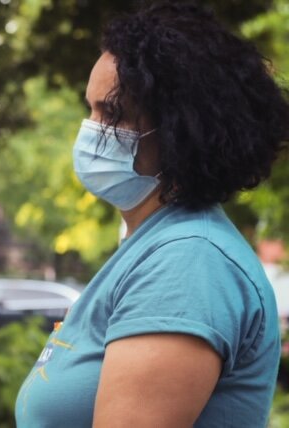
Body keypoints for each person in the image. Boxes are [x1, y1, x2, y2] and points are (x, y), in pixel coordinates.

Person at [15, 2, 289, 427]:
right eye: (90, 109)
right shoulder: (155, 246)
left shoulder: (190, 263)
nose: (90, 129)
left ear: (182, 130)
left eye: (113, 113)